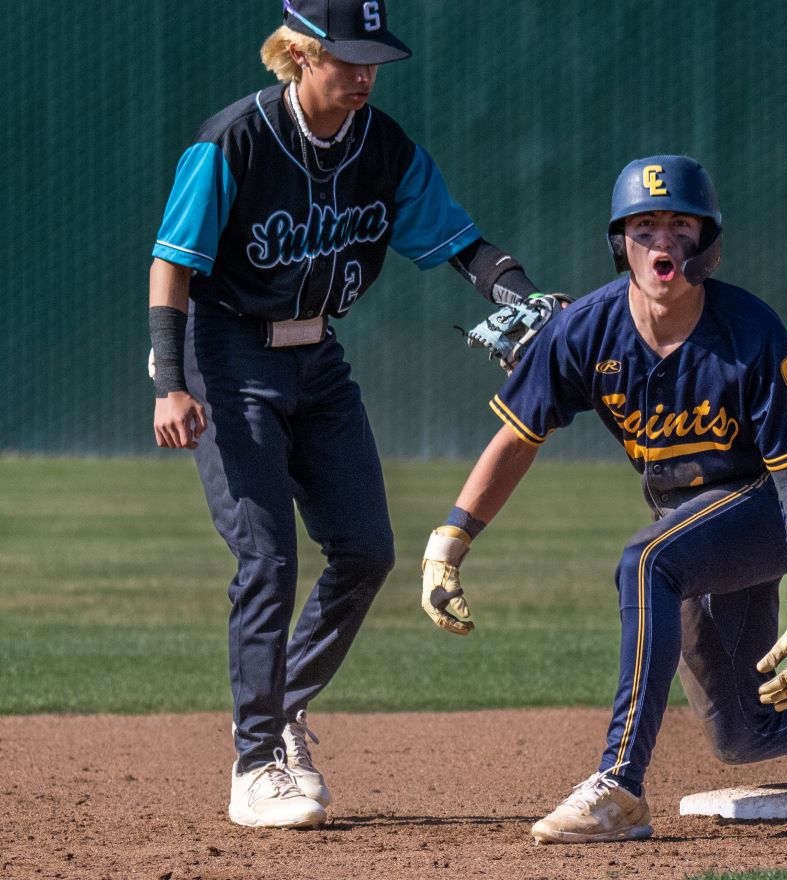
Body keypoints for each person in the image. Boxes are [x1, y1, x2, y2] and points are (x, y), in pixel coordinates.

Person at [419, 155, 787, 844]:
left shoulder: (751, 332)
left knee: (647, 562)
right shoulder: (585, 330)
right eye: (644, 226)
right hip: (688, 524)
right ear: (620, 242)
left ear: (707, 242)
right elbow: (518, 436)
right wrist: (451, 540)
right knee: (742, 730)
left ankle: (618, 785)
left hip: (765, 504)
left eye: (680, 225)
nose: (662, 242)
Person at [149, 0, 550, 829]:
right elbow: (172, 260)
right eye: (347, 57)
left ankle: (276, 708)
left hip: (317, 358)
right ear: (300, 54)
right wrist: (171, 381)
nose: (364, 74)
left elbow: (460, 244)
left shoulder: (385, 147)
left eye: (375, 59)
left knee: (367, 551)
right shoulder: (235, 139)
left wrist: (527, 297)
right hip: (227, 355)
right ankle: (255, 764)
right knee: (265, 557)